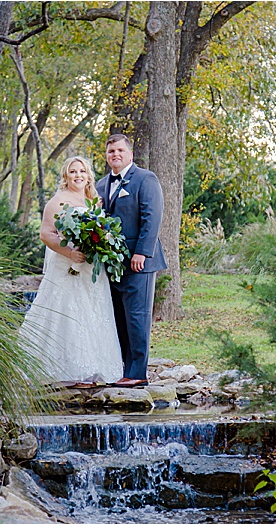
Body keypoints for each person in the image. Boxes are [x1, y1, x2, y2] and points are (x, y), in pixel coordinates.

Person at [17, 156, 123, 387]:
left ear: (88, 175)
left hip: (91, 267)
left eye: (82, 171)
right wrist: (70, 254)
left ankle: (95, 366)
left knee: (92, 311)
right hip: (67, 265)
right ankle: (65, 368)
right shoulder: (58, 200)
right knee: (68, 311)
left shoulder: (93, 200)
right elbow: (46, 234)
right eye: (73, 172)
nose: (78, 175)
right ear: (66, 176)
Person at [96, 134, 167, 388]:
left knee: (137, 317)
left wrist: (142, 252)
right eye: (110, 151)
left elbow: (152, 216)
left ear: (130, 154)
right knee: (118, 318)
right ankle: (123, 369)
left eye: (119, 151)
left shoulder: (145, 179)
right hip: (111, 263)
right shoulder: (102, 184)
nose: (115, 155)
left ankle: (137, 374)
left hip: (139, 262)